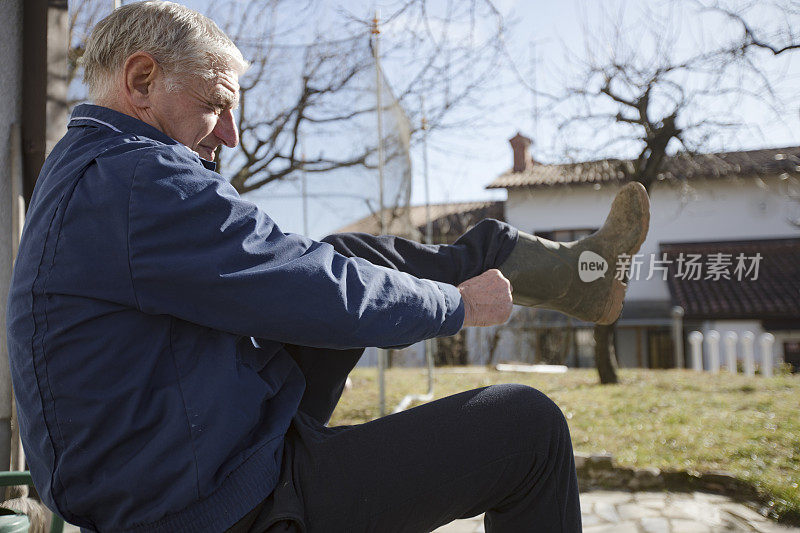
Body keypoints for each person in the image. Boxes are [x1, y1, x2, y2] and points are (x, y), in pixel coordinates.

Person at [6, 2, 649, 532]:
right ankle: (547, 277)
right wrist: (458, 307)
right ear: (142, 80)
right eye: (215, 105)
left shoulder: (85, 170)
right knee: (527, 427)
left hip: (166, 463)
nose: (228, 133)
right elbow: (308, 288)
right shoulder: (139, 178)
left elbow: (302, 272)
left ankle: (563, 275)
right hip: (211, 504)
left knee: (353, 257)